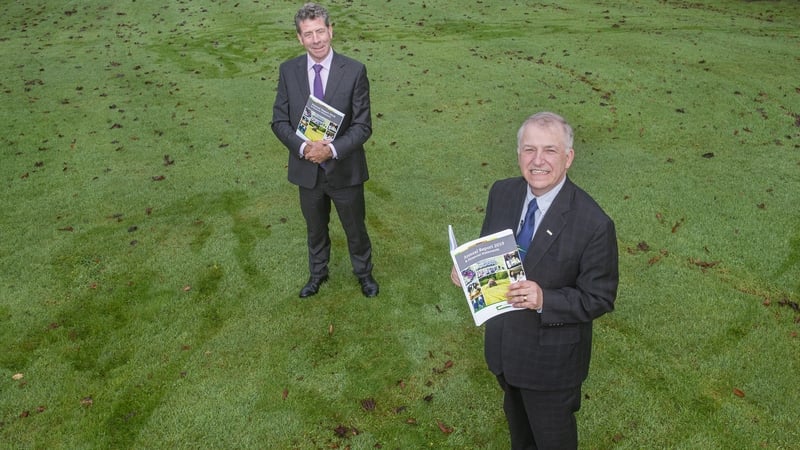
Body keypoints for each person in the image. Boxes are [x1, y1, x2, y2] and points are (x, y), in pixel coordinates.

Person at [451, 112, 619, 449]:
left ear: (568, 158)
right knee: (521, 438)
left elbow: (599, 297)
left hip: (550, 368)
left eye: (550, 151)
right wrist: (467, 270)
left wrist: (545, 300)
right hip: (502, 351)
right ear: (518, 154)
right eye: (529, 150)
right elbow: (488, 248)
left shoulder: (594, 223)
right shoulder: (503, 193)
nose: (537, 161)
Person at [272, 3, 378, 298]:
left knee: (355, 229)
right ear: (299, 38)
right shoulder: (288, 71)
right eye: (309, 34)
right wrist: (305, 147)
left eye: (320, 31)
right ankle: (318, 274)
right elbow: (279, 121)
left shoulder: (355, 71)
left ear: (331, 31)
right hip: (307, 171)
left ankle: (364, 274)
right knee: (315, 230)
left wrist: (330, 150)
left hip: (345, 170)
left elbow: (363, 126)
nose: (316, 39)